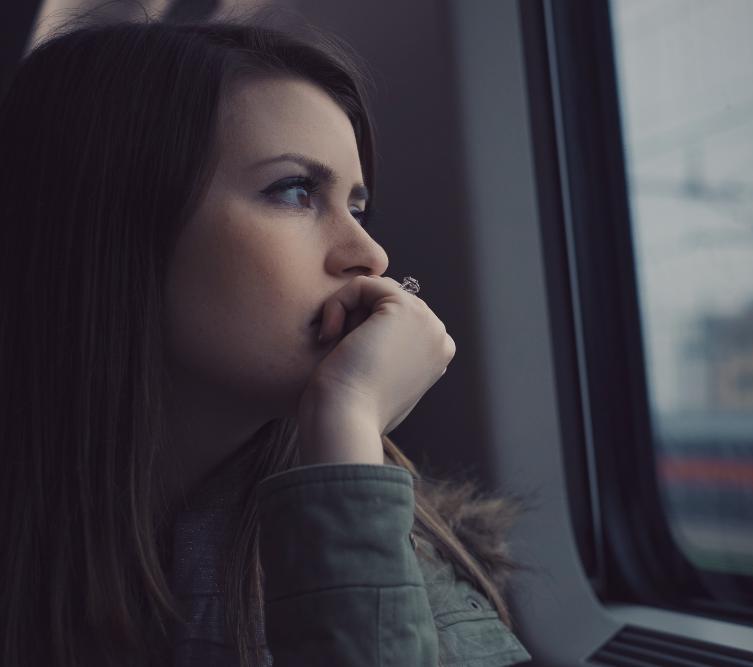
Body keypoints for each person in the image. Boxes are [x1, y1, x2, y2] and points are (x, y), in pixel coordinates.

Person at [0, 12, 533, 667]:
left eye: (357, 206)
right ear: (112, 226)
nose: (369, 253)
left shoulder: (407, 548)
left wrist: (345, 426)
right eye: (294, 191)